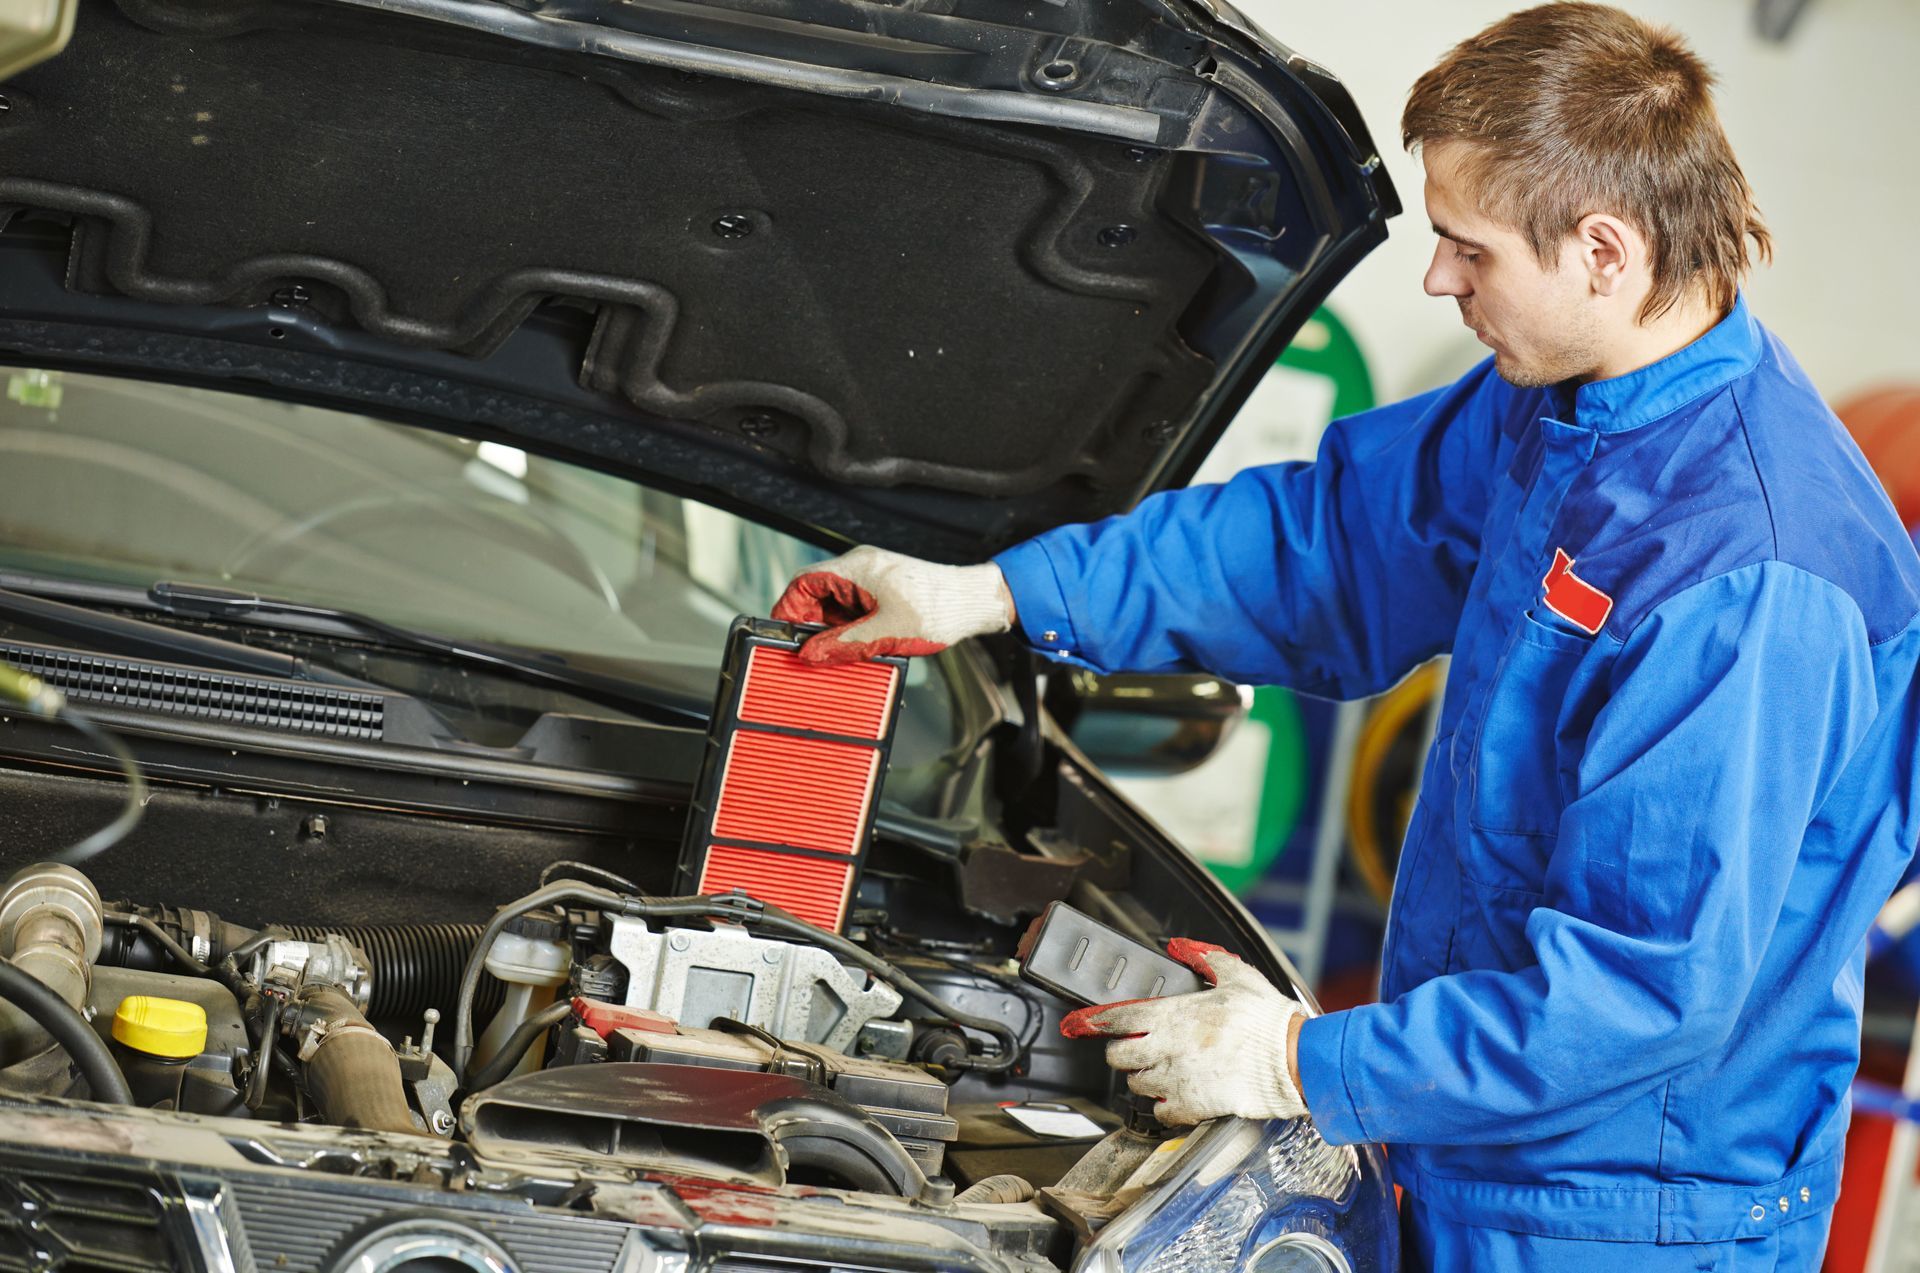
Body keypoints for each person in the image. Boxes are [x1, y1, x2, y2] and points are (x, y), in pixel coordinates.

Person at [771, 5, 1920, 1269]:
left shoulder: (1749, 572)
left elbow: (1639, 992)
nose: (1439, 280)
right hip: (1468, 1143)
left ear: (1604, 248)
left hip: (1627, 1217)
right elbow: (1322, 544)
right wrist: (989, 593)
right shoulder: (1565, 414)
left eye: (1466, 248)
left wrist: (1297, 1061)